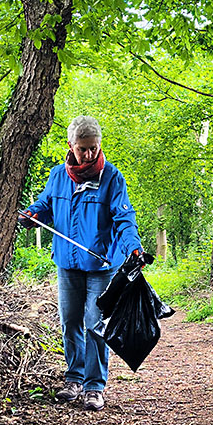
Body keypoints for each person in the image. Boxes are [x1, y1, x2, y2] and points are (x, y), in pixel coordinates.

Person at [19, 115, 144, 410]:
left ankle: (94, 386)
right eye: (82, 149)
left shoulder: (112, 177)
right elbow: (46, 205)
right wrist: (32, 215)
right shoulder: (58, 176)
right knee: (70, 322)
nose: (88, 155)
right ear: (71, 145)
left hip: (102, 266)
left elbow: (124, 219)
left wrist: (133, 248)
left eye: (93, 148)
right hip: (67, 263)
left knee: (94, 323)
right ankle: (73, 379)